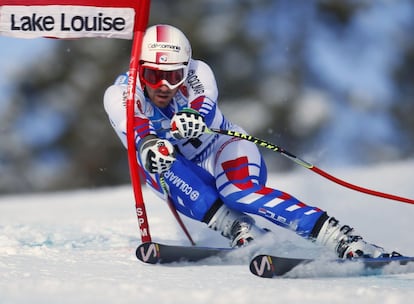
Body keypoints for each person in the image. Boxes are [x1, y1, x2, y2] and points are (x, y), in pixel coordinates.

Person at [104, 24, 396, 259]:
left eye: (173, 76)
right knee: (158, 163)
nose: (164, 87)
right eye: (153, 75)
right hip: (182, 171)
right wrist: (148, 144)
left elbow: (204, 100)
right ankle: (240, 229)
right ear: (139, 70)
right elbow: (135, 126)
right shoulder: (120, 94)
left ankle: (339, 237)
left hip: (224, 149)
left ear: (186, 69)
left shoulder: (198, 71)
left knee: (237, 192)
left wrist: (195, 115)